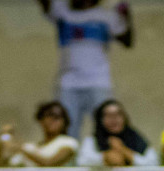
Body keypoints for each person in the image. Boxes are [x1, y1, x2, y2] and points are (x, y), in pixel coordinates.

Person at [40, 0, 133, 141]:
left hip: (99, 82)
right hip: (68, 83)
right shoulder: (62, 10)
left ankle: (110, 160)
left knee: (107, 127)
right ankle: (67, 162)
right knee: (66, 131)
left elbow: (127, 41)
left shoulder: (106, 16)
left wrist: (126, 14)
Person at [0, 101, 79, 171]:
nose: (53, 120)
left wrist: (21, 148)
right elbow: (1, 165)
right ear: (41, 120)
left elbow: (49, 163)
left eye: (58, 116)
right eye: (49, 115)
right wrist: (2, 140)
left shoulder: (69, 143)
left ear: (64, 122)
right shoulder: (31, 147)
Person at [80, 99, 157, 171]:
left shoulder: (137, 140)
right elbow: (82, 162)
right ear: (100, 119)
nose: (114, 119)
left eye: (118, 115)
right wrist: (105, 158)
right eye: (108, 116)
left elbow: (153, 168)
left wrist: (126, 152)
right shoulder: (92, 141)